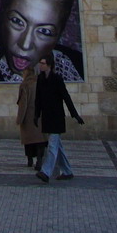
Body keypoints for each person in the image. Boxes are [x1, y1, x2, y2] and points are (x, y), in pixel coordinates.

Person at [0, 0, 84, 83]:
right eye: (17, 21)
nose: (25, 45)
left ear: (59, 34)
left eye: (44, 31)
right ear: (2, 16)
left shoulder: (80, 64)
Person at [34, 50, 84, 183]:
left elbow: (66, 97)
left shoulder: (57, 79)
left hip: (56, 117)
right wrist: (36, 115)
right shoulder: (40, 79)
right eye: (40, 63)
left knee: (52, 146)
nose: (40, 66)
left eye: (43, 63)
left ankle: (46, 172)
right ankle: (67, 171)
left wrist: (75, 115)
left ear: (49, 65)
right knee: (58, 147)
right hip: (47, 117)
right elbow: (38, 99)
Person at [16, 65, 46, 169]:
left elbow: (23, 103)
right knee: (39, 139)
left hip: (28, 116)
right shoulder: (41, 83)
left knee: (29, 140)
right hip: (40, 116)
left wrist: (20, 118)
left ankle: (30, 159)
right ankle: (39, 158)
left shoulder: (25, 85)